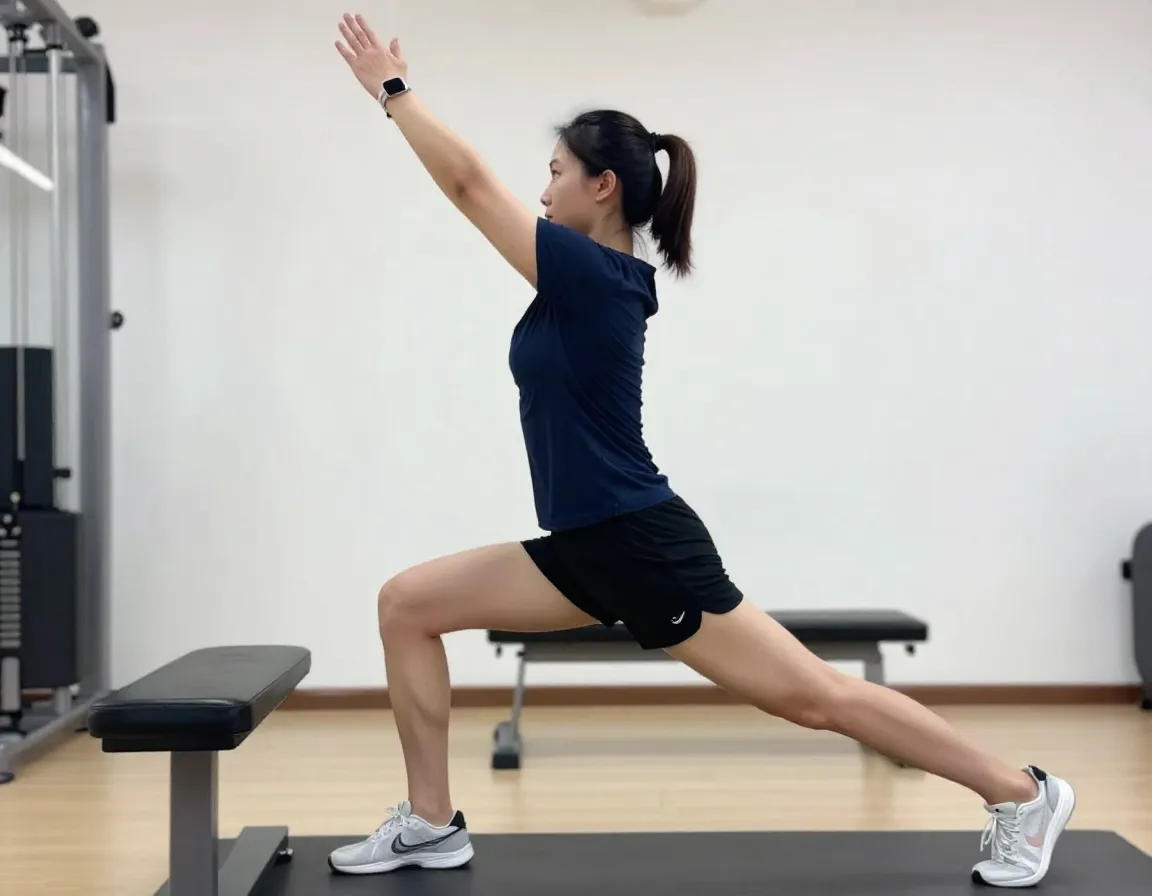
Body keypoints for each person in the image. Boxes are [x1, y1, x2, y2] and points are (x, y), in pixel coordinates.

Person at [327, 13, 1076, 887]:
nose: (542, 192)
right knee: (407, 606)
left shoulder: (594, 276)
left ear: (603, 187)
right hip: (586, 546)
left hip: (642, 544)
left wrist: (392, 92)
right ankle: (429, 821)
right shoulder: (583, 277)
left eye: (556, 173)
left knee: (816, 699)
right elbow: (482, 192)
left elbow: (465, 184)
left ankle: (1020, 793)